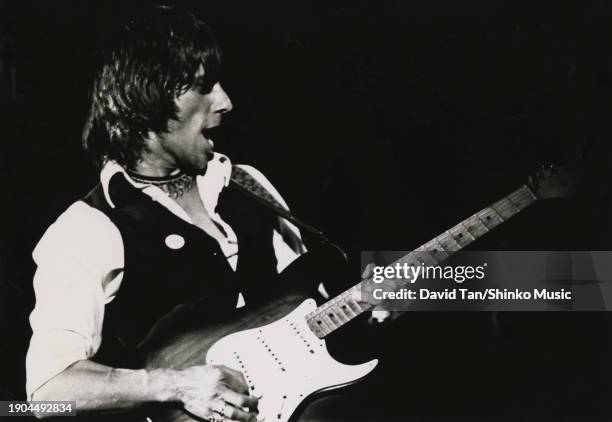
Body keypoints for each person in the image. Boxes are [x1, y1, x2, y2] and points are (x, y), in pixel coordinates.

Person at [25, 5, 309, 421]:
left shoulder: (247, 184)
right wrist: (176, 385)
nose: (226, 102)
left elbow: (308, 309)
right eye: (202, 86)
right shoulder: (86, 229)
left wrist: (400, 293)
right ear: (149, 98)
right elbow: (47, 392)